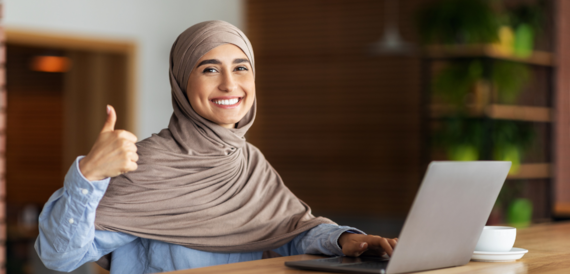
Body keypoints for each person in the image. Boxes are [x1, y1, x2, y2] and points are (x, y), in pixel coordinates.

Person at [35, 20, 398, 273]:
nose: (229, 84)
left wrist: (348, 240)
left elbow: (291, 229)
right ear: (181, 81)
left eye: (241, 68)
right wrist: (89, 174)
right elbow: (60, 257)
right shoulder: (143, 164)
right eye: (209, 69)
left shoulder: (249, 162)